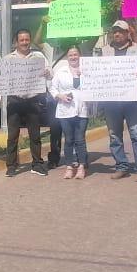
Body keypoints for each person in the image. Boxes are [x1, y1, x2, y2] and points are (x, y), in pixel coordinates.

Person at [103, 20, 137, 181]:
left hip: (134, 100)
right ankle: (121, 166)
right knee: (114, 135)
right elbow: (96, 71)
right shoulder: (105, 50)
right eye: (115, 31)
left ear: (127, 33)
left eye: (120, 31)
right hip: (111, 101)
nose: (117, 34)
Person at [3, 29, 50, 177]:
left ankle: (37, 164)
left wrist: (47, 73)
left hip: (33, 100)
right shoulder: (8, 59)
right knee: (12, 135)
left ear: (30, 40)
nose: (24, 42)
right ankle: (11, 165)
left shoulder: (38, 57)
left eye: (27, 40)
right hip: (14, 101)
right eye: (21, 40)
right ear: (16, 42)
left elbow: (50, 73)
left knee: (35, 135)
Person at [50, 46, 92, 179]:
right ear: (67, 57)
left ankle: (81, 166)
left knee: (80, 139)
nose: (73, 57)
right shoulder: (61, 71)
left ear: (80, 56)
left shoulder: (87, 70)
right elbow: (52, 88)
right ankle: (69, 167)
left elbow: (95, 86)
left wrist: (85, 76)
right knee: (68, 139)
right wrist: (60, 96)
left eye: (75, 54)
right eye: (70, 55)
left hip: (82, 109)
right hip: (65, 110)